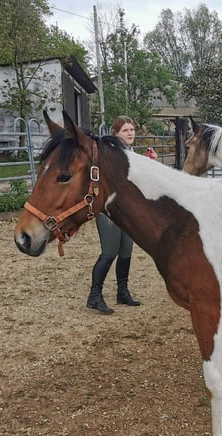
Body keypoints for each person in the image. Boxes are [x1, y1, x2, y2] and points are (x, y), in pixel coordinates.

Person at [85, 116, 157, 314]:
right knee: (109, 253)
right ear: (115, 134)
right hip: (109, 210)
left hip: (126, 211)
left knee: (126, 252)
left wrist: (150, 163)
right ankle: (94, 296)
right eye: (125, 130)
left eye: (132, 129)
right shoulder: (110, 155)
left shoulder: (131, 153)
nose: (131, 133)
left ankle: (122, 292)